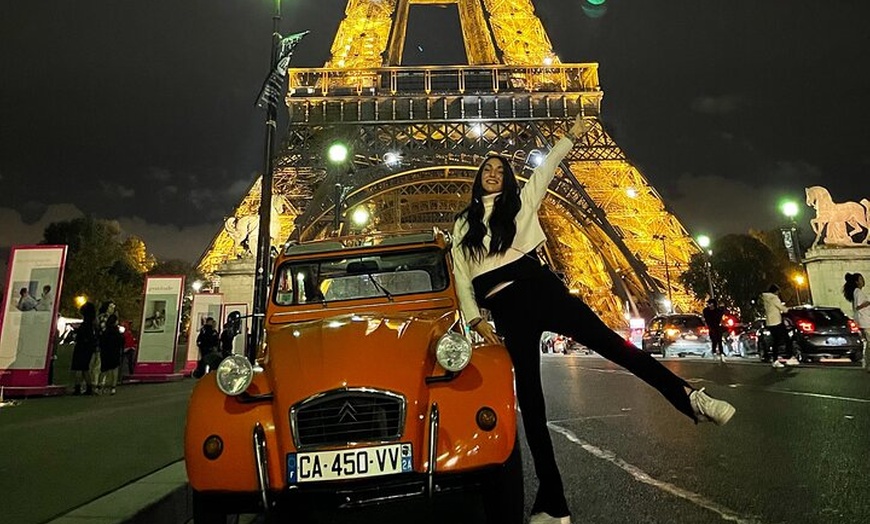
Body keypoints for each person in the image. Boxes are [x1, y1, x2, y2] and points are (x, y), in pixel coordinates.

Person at [450, 112, 735, 524]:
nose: (493, 173)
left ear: (507, 179)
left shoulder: (522, 203)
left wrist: (569, 137)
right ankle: (553, 504)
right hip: (506, 308)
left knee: (616, 348)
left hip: (540, 288)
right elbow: (461, 275)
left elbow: (545, 169)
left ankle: (689, 397)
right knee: (531, 404)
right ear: (479, 178)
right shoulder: (462, 224)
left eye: (500, 169)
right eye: (487, 170)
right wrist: (476, 320)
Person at [761, 284, 799, 368]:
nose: (778, 293)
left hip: (770, 322)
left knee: (776, 341)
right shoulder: (774, 298)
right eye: (778, 292)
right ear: (775, 291)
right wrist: (787, 309)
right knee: (787, 339)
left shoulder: (766, 299)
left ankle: (775, 360)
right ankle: (789, 357)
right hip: (777, 322)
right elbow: (781, 307)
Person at [843, 273, 870, 371]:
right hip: (866, 321)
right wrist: (868, 303)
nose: (863, 281)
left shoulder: (856, 292)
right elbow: (859, 306)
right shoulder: (858, 291)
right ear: (857, 282)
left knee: (867, 344)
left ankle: (867, 364)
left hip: (862, 321)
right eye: (861, 279)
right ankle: (867, 364)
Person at [70, 302, 98, 395]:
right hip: (88, 348)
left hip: (81, 347)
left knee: (78, 368)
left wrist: (76, 331)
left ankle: (77, 388)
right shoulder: (92, 324)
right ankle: (89, 388)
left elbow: (80, 336)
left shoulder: (85, 325)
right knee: (85, 369)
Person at [98, 314, 124, 395]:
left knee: (104, 370)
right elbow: (121, 342)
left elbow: (101, 342)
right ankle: (113, 387)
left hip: (105, 352)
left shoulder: (105, 331)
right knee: (114, 370)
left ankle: (100, 386)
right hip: (115, 352)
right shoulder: (117, 332)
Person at [703, 298, 727, 363]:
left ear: (713, 304)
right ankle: (714, 354)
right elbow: (706, 319)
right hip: (711, 327)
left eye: (710, 303)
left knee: (719, 341)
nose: (708, 305)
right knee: (714, 341)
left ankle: (721, 354)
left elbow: (721, 314)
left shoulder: (718, 311)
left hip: (717, 327)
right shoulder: (706, 311)